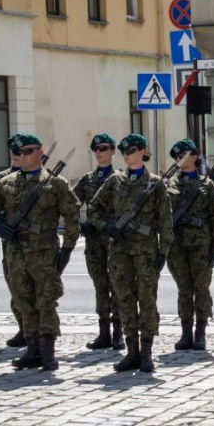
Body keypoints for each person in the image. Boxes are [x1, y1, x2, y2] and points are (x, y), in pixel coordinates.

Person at [0, 133, 80, 371]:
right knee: (23, 302)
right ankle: (32, 349)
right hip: (15, 253)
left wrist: (67, 249)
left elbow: (72, 216)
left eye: (27, 151)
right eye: (18, 152)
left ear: (40, 152)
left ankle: (48, 352)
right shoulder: (7, 183)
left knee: (46, 302)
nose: (22, 156)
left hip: (44, 253)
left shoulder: (55, 183)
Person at [88, 133, 173, 372]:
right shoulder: (115, 181)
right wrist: (107, 226)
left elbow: (165, 221)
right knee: (124, 300)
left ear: (142, 152)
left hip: (146, 252)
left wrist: (163, 252)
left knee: (147, 301)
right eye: (124, 151)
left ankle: (146, 352)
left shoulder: (155, 183)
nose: (126, 155)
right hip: (120, 251)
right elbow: (93, 209)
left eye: (131, 150)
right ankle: (131, 351)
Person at [169, 140, 214, 351]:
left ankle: (200, 331)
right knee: (183, 289)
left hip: (201, 244)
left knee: (201, 288)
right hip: (176, 245)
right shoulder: (169, 185)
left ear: (194, 157)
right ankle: (185, 333)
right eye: (176, 156)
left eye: (182, 155)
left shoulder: (206, 185)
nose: (178, 159)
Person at [73, 133, 124, 351]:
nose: (99, 152)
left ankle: (118, 332)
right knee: (100, 286)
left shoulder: (121, 178)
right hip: (94, 240)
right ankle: (104, 333)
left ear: (112, 151)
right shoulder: (87, 180)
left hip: (114, 239)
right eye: (96, 149)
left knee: (117, 285)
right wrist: (79, 224)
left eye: (103, 148)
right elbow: (70, 204)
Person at [0, 138, 25, 347]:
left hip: (36, 244)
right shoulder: (1, 178)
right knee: (15, 285)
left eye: (22, 152)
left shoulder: (41, 177)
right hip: (10, 242)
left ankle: (38, 332)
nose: (18, 156)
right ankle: (23, 328)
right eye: (15, 152)